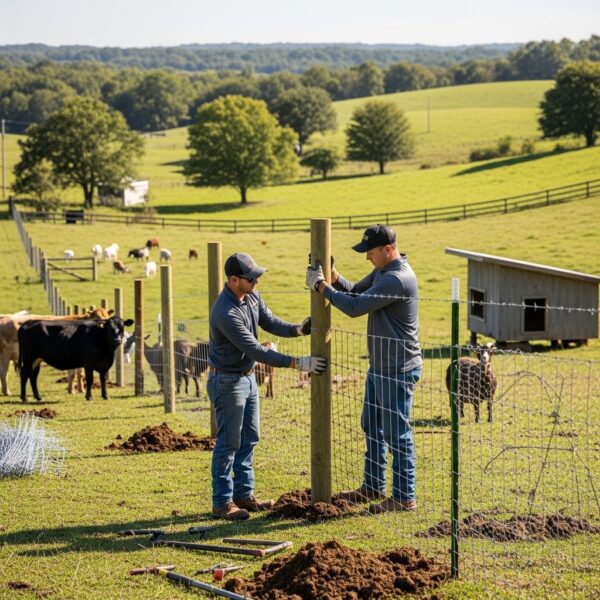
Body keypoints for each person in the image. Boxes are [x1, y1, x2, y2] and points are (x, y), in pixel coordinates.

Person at [306, 224, 422, 514]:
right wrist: (333, 278)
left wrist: (321, 287)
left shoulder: (397, 278)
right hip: (380, 365)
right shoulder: (383, 272)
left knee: (397, 433)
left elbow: (355, 307)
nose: (367, 258)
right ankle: (372, 485)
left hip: (397, 367)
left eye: (370, 253)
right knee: (371, 425)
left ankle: (404, 497)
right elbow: (355, 291)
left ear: (387, 249)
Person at [208, 252, 327, 521]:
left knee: (249, 437)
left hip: (247, 378)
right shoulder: (225, 312)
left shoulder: (250, 296)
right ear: (234, 280)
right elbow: (255, 349)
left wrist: (298, 329)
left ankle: (243, 495)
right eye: (251, 279)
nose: (256, 282)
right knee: (228, 442)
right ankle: (222, 502)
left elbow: (271, 322)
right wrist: (299, 363)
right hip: (227, 380)